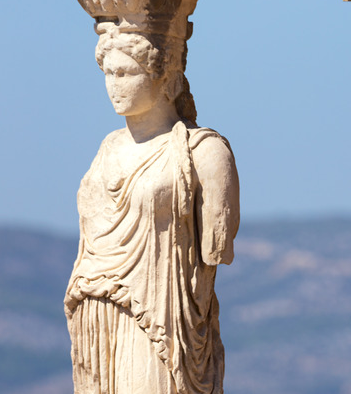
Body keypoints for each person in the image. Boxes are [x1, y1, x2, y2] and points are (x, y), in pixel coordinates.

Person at [65, 29, 239, 394]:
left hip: (158, 317)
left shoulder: (203, 152)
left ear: (163, 75)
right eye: (108, 74)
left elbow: (215, 249)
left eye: (125, 73)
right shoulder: (108, 147)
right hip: (95, 310)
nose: (114, 85)